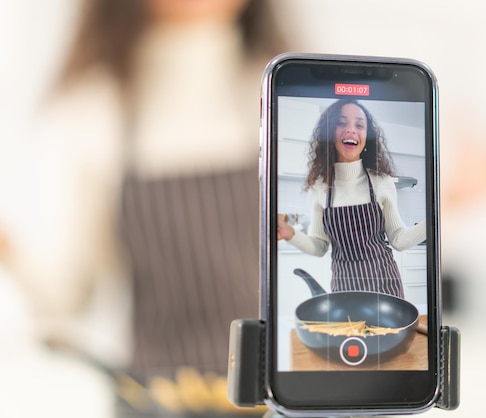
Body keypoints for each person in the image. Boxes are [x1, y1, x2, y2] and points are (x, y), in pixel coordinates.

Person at [0, 0, 288, 417]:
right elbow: (70, 298)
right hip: (153, 402)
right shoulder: (95, 109)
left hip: (272, 401)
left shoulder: (282, 92)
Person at [277, 98, 426, 298]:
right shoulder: (319, 188)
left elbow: (398, 239)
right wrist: (290, 233)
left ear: (366, 137)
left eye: (359, 125)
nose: (351, 130)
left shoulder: (381, 181)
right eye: (341, 123)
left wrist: (437, 220)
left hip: (385, 285)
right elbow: (319, 246)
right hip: (344, 288)